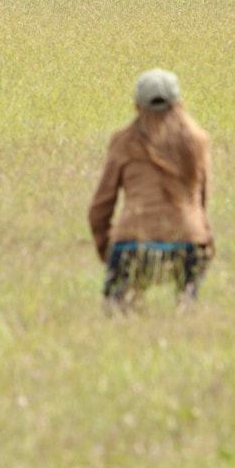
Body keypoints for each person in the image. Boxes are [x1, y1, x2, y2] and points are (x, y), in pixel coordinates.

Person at [88, 68, 213, 310]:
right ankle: (185, 314)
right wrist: (202, 236)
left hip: (133, 242)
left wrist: (107, 249)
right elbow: (202, 201)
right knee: (187, 306)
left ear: (136, 106)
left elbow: (100, 208)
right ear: (179, 104)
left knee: (117, 312)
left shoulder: (123, 141)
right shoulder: (198, 141)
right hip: (188, 241)